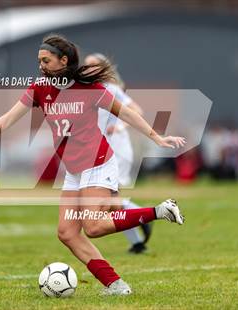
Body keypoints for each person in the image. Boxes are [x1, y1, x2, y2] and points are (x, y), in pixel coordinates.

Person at [0, 34, 186, 295]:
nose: (41, 66)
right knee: (67, 233)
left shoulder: (91, 90)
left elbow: (127, 112)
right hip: (74, 171)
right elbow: (8, 117)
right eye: (39, 61)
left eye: (46, 60)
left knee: (93, 226)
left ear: (64, 61)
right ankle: (116, 285)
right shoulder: (40, 89)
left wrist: (156, 137)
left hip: (99, 164)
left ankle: (160, 211)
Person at [84, 53, 152, 254]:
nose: (88, 69)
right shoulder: (87, 91)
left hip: (116, 150)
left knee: (110, 200)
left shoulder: (111, 89)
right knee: (110, 200)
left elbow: (136, 110)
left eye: (93, 66)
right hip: (100, 152)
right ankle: (138, 236)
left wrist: (120, 126)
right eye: (85, 66)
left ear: (103, 69)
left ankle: (142, 219)